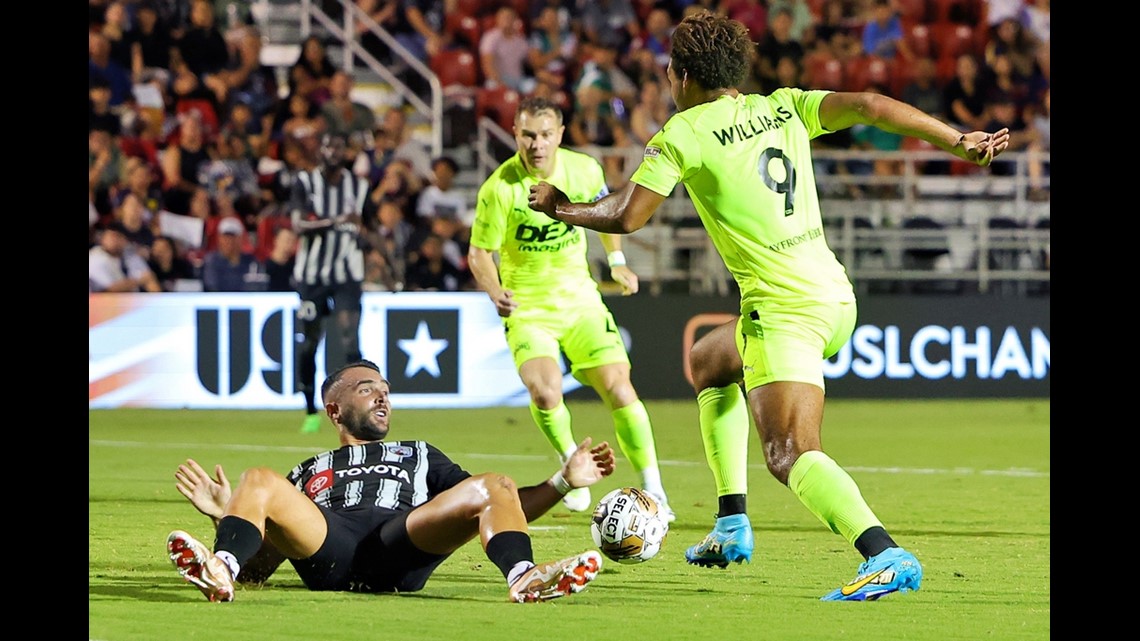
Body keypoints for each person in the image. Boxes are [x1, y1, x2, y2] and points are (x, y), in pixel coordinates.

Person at [527, 10, 1010, 601]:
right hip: (833, 295)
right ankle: (731, 523)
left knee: (790, 454)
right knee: (711, 359)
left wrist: (560, 206)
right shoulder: (782, 106)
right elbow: (870, 104)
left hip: (784, 312)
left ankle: (885, 555)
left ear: (680, 76)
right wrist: (957, 141)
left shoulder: (683, 133)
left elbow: (627, 215)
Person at [167, 359, 612, 603]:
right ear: (335, 410)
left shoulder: (418, 452)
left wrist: (563, 482)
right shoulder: (306, 469)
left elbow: (498, 504)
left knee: (494, 481)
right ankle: (218, 568)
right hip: (329, 547)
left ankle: (523, 577)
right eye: (366, 387)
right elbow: (262, 569)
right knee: (258, 478)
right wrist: (231, 513)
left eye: (384, 388)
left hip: (399, 543)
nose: (382, 394)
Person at [467, 96, 675, 522]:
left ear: (560, 135)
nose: (537, 144)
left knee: (620, 389)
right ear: (515, 135)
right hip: (529, 309)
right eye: (528, 134)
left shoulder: (583, 169)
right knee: (544, 391)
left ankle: (654, 491)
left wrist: (617, 263)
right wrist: (494, 291)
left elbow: (604, 215)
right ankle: (570, 465)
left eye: (545, 135)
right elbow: (478, 254)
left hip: (580, 301)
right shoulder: (499, 189)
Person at [290, 133, 371, 434]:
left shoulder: (359, 187)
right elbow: (298, 225)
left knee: (350, 341)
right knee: (310, 343)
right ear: (320, 151)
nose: (333, 151)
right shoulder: (305, 183)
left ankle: (357, 411)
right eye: (328, 145)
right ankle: (310, 409)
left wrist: (389, 265)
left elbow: (370, 226)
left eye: (338, 145)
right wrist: (336, 220)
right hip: (313, 278)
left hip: (348, 275)